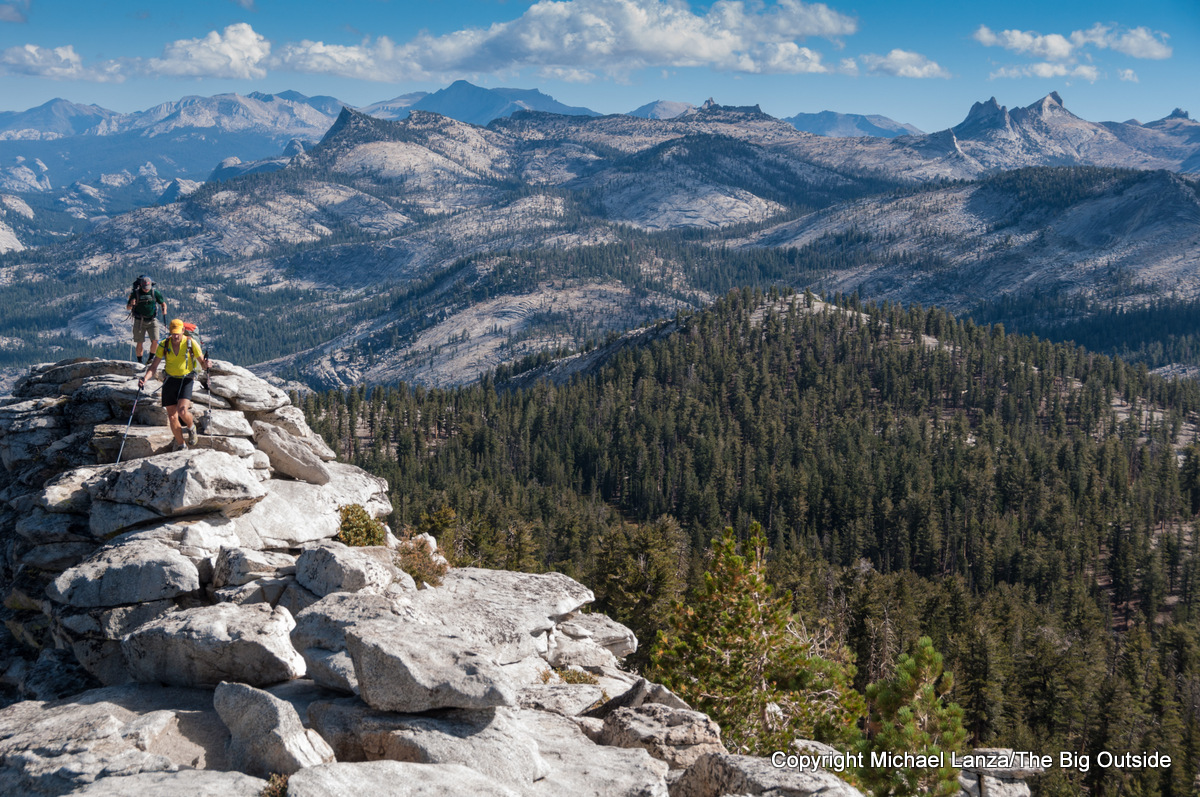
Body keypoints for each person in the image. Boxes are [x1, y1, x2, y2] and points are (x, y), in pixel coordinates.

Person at [139, 319, 210, 451]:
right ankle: (182, 445)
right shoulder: (164, 344)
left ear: (183, 331)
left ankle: (191, 426)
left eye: (177, 333)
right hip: (170, 380)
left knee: (182, 411)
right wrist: (145, 378)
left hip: (186, 379)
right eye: (173, 333)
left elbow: (203, 365)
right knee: (172, 416)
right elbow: (154, 367)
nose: (175, 336)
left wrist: (207, 364)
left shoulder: (190, 343)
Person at [126, 276, 167, 364]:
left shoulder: (154, 292)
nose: (146, 290)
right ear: (141, 285)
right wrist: (131, 304)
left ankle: (150, 359)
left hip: (152, 319)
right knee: (139, 342)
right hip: (139, 320)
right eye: (144, 288)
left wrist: (164, 309)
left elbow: (163, 303)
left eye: (147, 288)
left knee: (155, 340)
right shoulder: (136, 293)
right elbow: (128, 308)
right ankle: (140, 361)